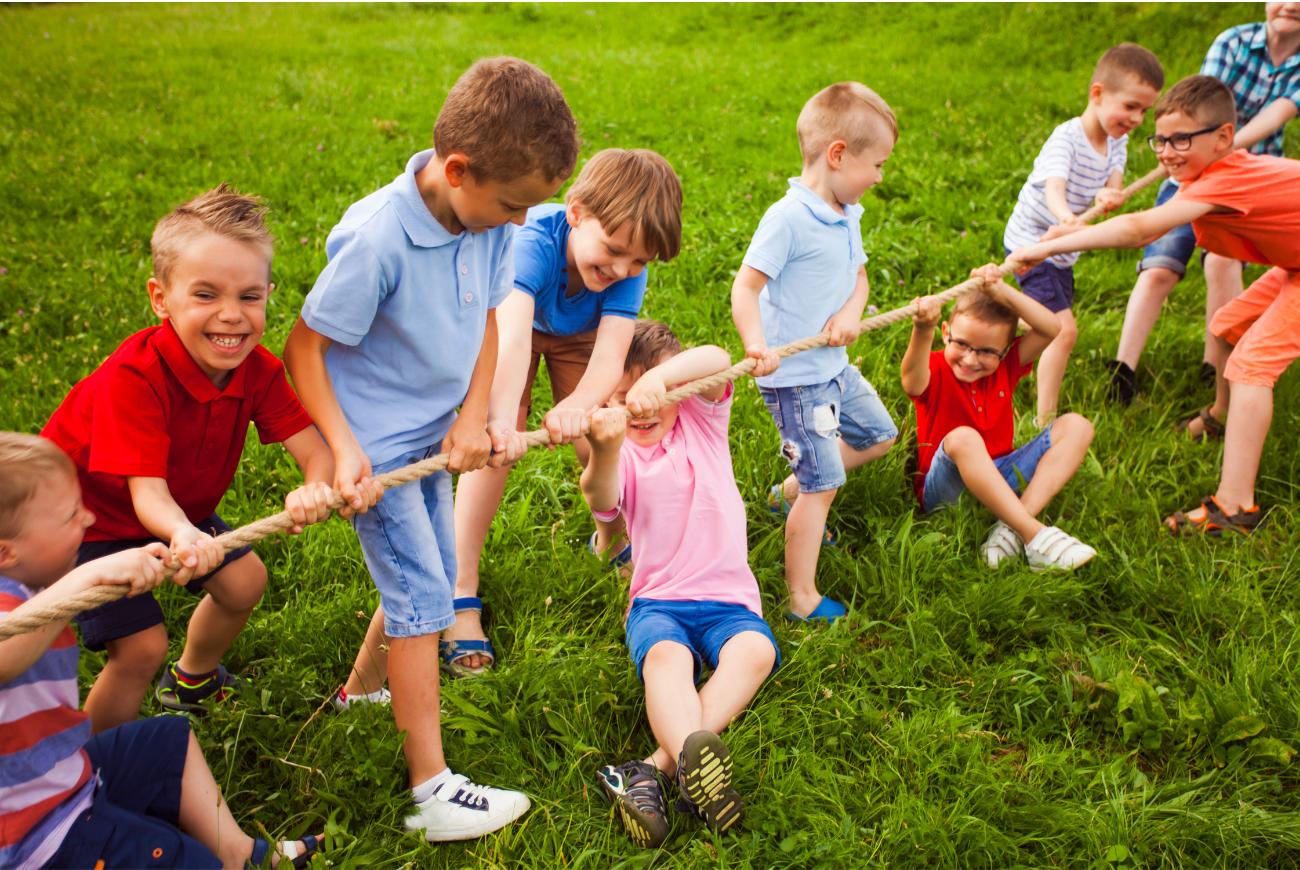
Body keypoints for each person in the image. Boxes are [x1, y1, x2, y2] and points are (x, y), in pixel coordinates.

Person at [282, 57, 580, 840]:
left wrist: (473, 414)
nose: (522, 223)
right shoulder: (379, 239)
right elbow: (303, 349)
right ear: (458, 170)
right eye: (514, 204)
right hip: (376, 451)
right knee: (425, 599)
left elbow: (487, 315)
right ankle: (431, 791)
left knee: (436, 574)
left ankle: (360, 693)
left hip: (431, 433)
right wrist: (345, 452)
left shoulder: (482, 219)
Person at [40, 186, 335, 732]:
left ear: (269, 293)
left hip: (178, 516)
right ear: (160, 297)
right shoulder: (134, 378)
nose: (231, 316)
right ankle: (91, 767)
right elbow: (146, 493)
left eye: (249, 297)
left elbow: (314, 451)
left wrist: (314, 485)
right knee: (141, 648)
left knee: (244, 583)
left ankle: (193, 680)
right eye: (205, 295)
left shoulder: (259, 370)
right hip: (88, 523)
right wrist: (184, 533)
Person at [0, 432, 322, 869]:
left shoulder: (27, 582)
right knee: (177, 858)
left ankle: (242, 856)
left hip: (63, 775)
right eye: (70, 515)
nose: (89, 518)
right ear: (6, 552)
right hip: (38, 834)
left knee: (166, 741)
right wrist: (86, 578)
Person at [1008, 74, 1300, 536]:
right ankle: (1225, 416)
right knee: (1227, 324)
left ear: (1224, 137)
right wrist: (1073, 230)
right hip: (1294, 264)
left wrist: (1045, 249)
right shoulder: (1205, 177)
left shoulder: (1224, 180)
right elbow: (1142, 223)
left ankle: (1234, 506)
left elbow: (1140, 230)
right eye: (1160, 140)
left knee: (1251, 364)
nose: (1166, 151)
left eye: (1181, 139)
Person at [445, 148, 683, 677]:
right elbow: (509, 340)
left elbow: (610, 357)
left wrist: (578, 407)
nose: (623, 269)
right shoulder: (531, 244)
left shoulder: (624, 270)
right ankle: (461, 592)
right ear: (575, 213)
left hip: (578, 336)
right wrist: (502, 422)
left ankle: (614, 539)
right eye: (616, 250)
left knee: (599, 440)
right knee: (492, 452)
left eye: (639, 262)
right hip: (515, 330)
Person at [581, 321, 779, 847]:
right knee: (668, 662)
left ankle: (652, 770)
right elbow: (599, 497)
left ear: (681, 394)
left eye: (657, 395)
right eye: (624, 399)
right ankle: (690, 761)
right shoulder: (621, 457)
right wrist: (603, 448)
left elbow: (714, 355)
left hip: (729, 600)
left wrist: (663, 378)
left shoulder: (702, 422)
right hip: (657, 603)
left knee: (756, 650)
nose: (641, 409)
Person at [730, 81, 900, 624]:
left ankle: (789, 491)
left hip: (835, 367)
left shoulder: (847, 212)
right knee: (824, 487)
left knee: (879, 435)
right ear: (837, 155)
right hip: (797, 379)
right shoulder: (788, 219)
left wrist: (851, 312)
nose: (879, 176)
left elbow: (860, 278)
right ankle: (801, 597)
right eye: (876, 164)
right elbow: (745, 288)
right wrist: (757, 346)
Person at [1110, 2, 1300, 405]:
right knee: (1161, 263)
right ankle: (1122, 369)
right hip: (1191, 170)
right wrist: (1190, 149)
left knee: (1221, 261)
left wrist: (1221, 147)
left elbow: (1279, 113)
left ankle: (1215, 367)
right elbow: (1198, 102)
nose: (1292, 5)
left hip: (1246, 184)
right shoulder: (1233, 41)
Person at [1001, 43, 1164, 425]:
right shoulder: (1067, 138)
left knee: (1047, 321)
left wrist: (1111, 191)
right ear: (1097, 94)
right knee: (1063, 331)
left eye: (1145, 110)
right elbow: (1054, 186)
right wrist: (1066, 218)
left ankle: (998, 322)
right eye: (1130, 106)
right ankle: (1045, 419)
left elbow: (1115, 179)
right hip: (1035, 242)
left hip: (1063, 249)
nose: (1138, 118)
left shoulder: (1116, 139)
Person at [901, 272, 1097, 569]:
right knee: (963, 437)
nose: (970, 359)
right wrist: (922, 329)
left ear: (1005, 350)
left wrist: (1000, 288)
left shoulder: (1006, 367)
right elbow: (912, 383)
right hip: (945, 492)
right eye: (962, 344)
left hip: (1000, 474)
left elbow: (1051, 327)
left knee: (1077, 426)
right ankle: (1035, 535)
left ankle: (1012, 525)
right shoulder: (936, 366)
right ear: (945, 332)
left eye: (986, 351)